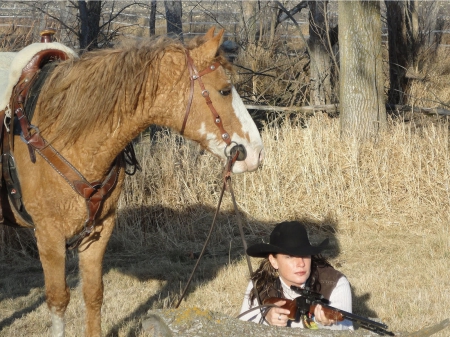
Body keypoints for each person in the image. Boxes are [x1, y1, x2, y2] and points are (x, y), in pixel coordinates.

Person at [239, 221, 353, 330]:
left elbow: (347, 328)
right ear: (273, 261)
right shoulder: (260, 284)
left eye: (305, 255)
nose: (301, 263)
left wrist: (324, 325)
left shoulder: (335, 283)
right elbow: (242, 327)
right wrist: (265, 317)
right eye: (290, 256)